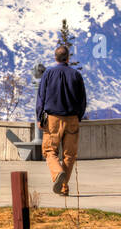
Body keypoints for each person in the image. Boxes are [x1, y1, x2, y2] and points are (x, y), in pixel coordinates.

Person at [35, 45, 87, 196]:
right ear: (68, 58)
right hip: (72, 119)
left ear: (55, 58)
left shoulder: (48, 74)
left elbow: (41, 98)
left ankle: (57, 173)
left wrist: (40, 117)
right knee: (69, 155)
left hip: (53, 119)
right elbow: (82, 99)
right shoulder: (76, 75)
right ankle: (63, 187)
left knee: (50, 151)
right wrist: (78, 116)